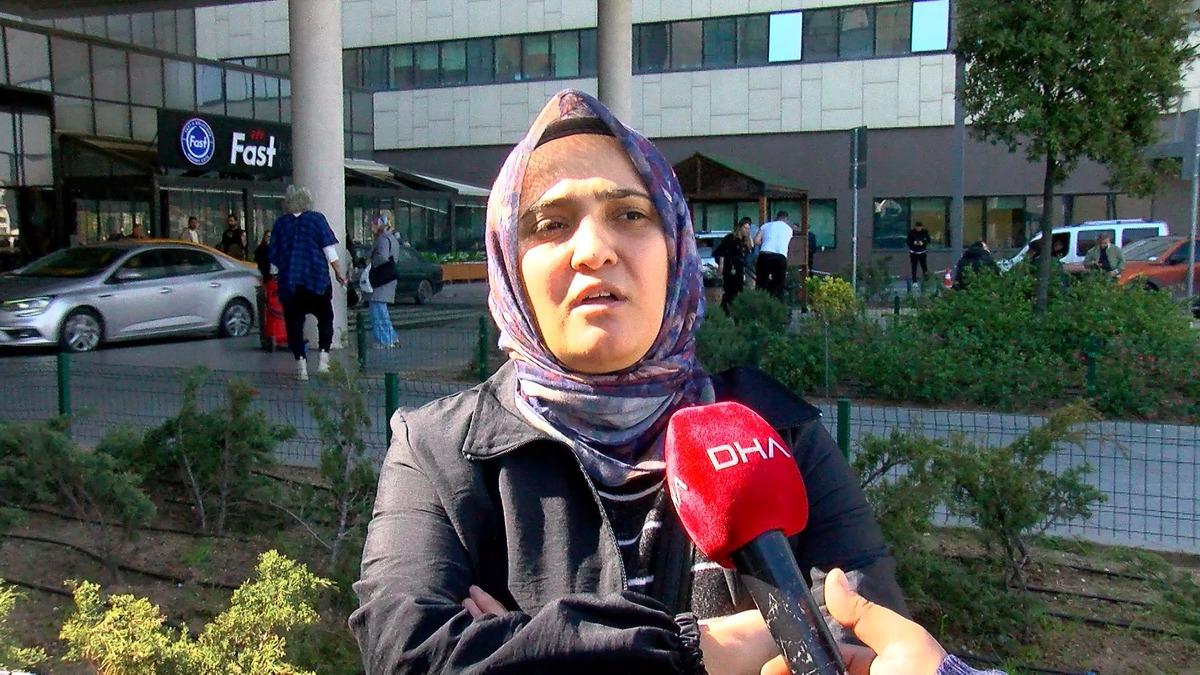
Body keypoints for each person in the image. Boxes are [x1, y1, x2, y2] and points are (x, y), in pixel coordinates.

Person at [350, 90, 998, 675]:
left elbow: (861, 632)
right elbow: (407, 652)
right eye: (551, 223)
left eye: (630, 214)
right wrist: (703, 650)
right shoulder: (440, 450)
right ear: (508, 264)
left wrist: (523, 646)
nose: (593, 250)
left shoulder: (777, 428)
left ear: (676, 247)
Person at [269, 185, 346, 381]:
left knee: (294, 325)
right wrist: (339, 273)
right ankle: (323, 361)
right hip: (316, 279)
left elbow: (274, 259)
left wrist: (275, 276)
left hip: (291, 282)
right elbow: (329, 251)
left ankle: (301, 366)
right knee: (325, 318)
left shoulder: (281, 224)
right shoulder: (317, 219)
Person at [368, 216, 401, 348]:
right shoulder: (392, 238)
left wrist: (370, 262)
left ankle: (385, 340)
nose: (371, 227)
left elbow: (382, 257)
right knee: (381, 309)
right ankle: (391, 337)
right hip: (389, 276)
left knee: (377, 309)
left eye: (373, 225)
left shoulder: (382, 239)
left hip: (382, 277)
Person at [714, 218, 752, 312]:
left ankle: (733, 310)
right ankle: (724, 311)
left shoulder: (743, 241)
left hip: (739, 269)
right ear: (740, 227)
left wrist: (749, 237)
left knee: (738, 291)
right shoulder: (730, 238)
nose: (747, 230)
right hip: (730, 268)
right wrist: (721, 266)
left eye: (748, 228)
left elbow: (750, 249)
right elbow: (721, 252)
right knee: (729, 291)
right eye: (745, 228)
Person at [755, 211, 793, 298]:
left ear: (776, 217)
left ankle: (760, 302)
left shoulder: (766, 226)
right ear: (786, 219)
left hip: (765, 254)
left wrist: (765, 243)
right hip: (780, 257)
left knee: (761, 283)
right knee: (779, 285)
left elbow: (756, 241)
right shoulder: (789, 229)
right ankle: (777, 302)